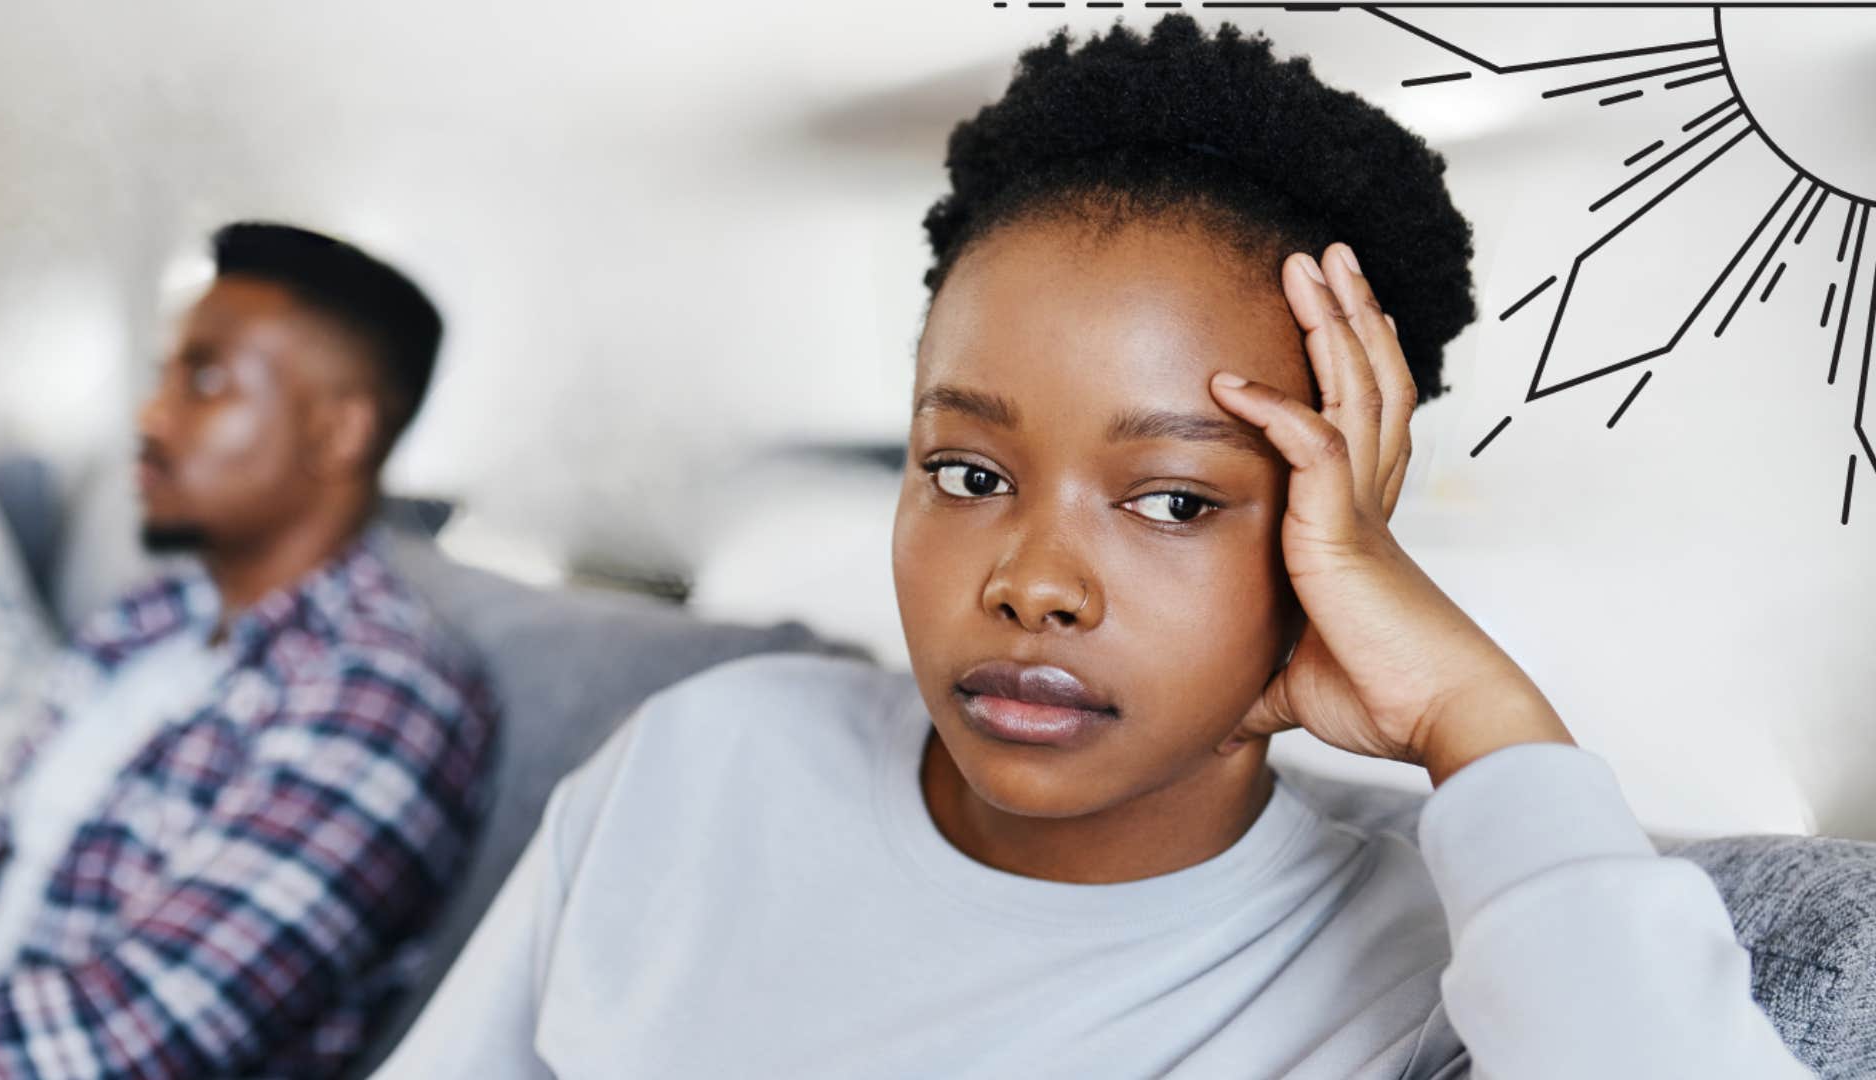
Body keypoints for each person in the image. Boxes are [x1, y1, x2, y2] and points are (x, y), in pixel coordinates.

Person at [374, 16, 1809, 1078]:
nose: (1034, 583)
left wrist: (1476, 719)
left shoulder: (1429, 959)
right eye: (968, 469)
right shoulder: (705, 757)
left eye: (1175, 499)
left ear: (1333, 538)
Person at [0, 223, 498, 1077]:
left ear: (338, 432)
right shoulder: (148, 623)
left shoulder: (385, 690)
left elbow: (133, 1039)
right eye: (162, 376)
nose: (152, 417)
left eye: (205, 380)